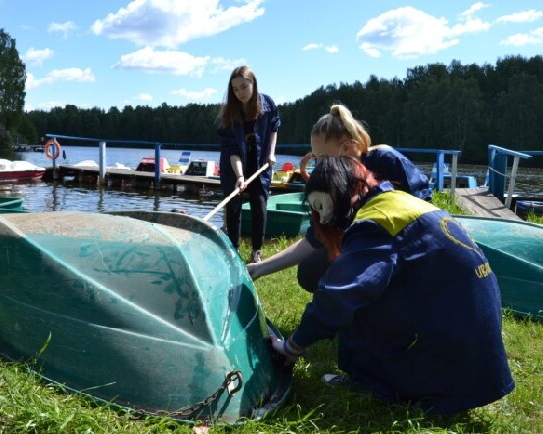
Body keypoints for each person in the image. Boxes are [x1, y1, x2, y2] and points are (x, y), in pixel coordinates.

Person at [271, 156, 515, 413]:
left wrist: (293, 346)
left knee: (358, 302)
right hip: (481, 356)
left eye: (322, 205)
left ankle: (377, 385)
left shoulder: (374, 222)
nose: (324, 217)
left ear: (345, 189)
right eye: (316, 211)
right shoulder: (398, 201)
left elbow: (339, 296)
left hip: (452, 362)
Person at [247, 104, 431, 289]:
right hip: (359, 244)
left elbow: (424, 209)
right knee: (309, 271)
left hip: (401, 243)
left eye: (324, 157)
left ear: (347, 148)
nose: (319, 166)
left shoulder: (387, 160)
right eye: (316, 157)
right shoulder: (330, 181)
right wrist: (260, 268)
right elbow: (315, 237)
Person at [217, 65, 280, 263]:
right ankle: (233, 250)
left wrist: (271, 153)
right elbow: (232, 151)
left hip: (260, 161)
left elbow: (274, 126)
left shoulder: (267, 103)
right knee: (234, 204)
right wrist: (240, 177)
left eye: (244, 87)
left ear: (253, 83)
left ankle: (256, 252)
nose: (240, 93)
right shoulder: (228, 114)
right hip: (234, 164)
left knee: (259, 203)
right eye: (235, 89)